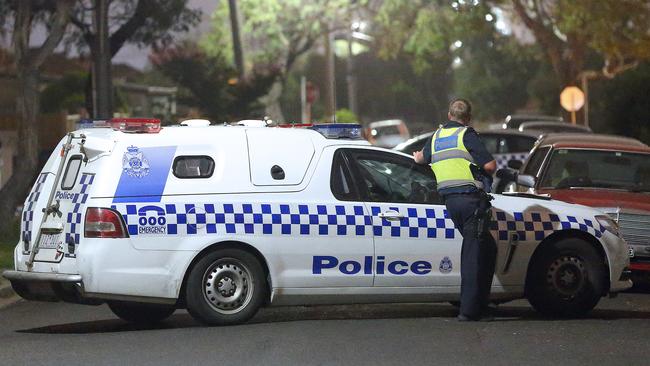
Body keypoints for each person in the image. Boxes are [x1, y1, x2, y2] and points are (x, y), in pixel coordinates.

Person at [413, 98, 498, 321]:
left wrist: (418, 157)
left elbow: (422, 158)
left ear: (449, 116)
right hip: (471, 201)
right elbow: (490, 166)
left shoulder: (437, 136)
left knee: (487, 248)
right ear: (467, 118)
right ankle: (469, 311)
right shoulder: (467, 135)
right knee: (473, 255)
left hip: (451, 202)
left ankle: (481, 302)